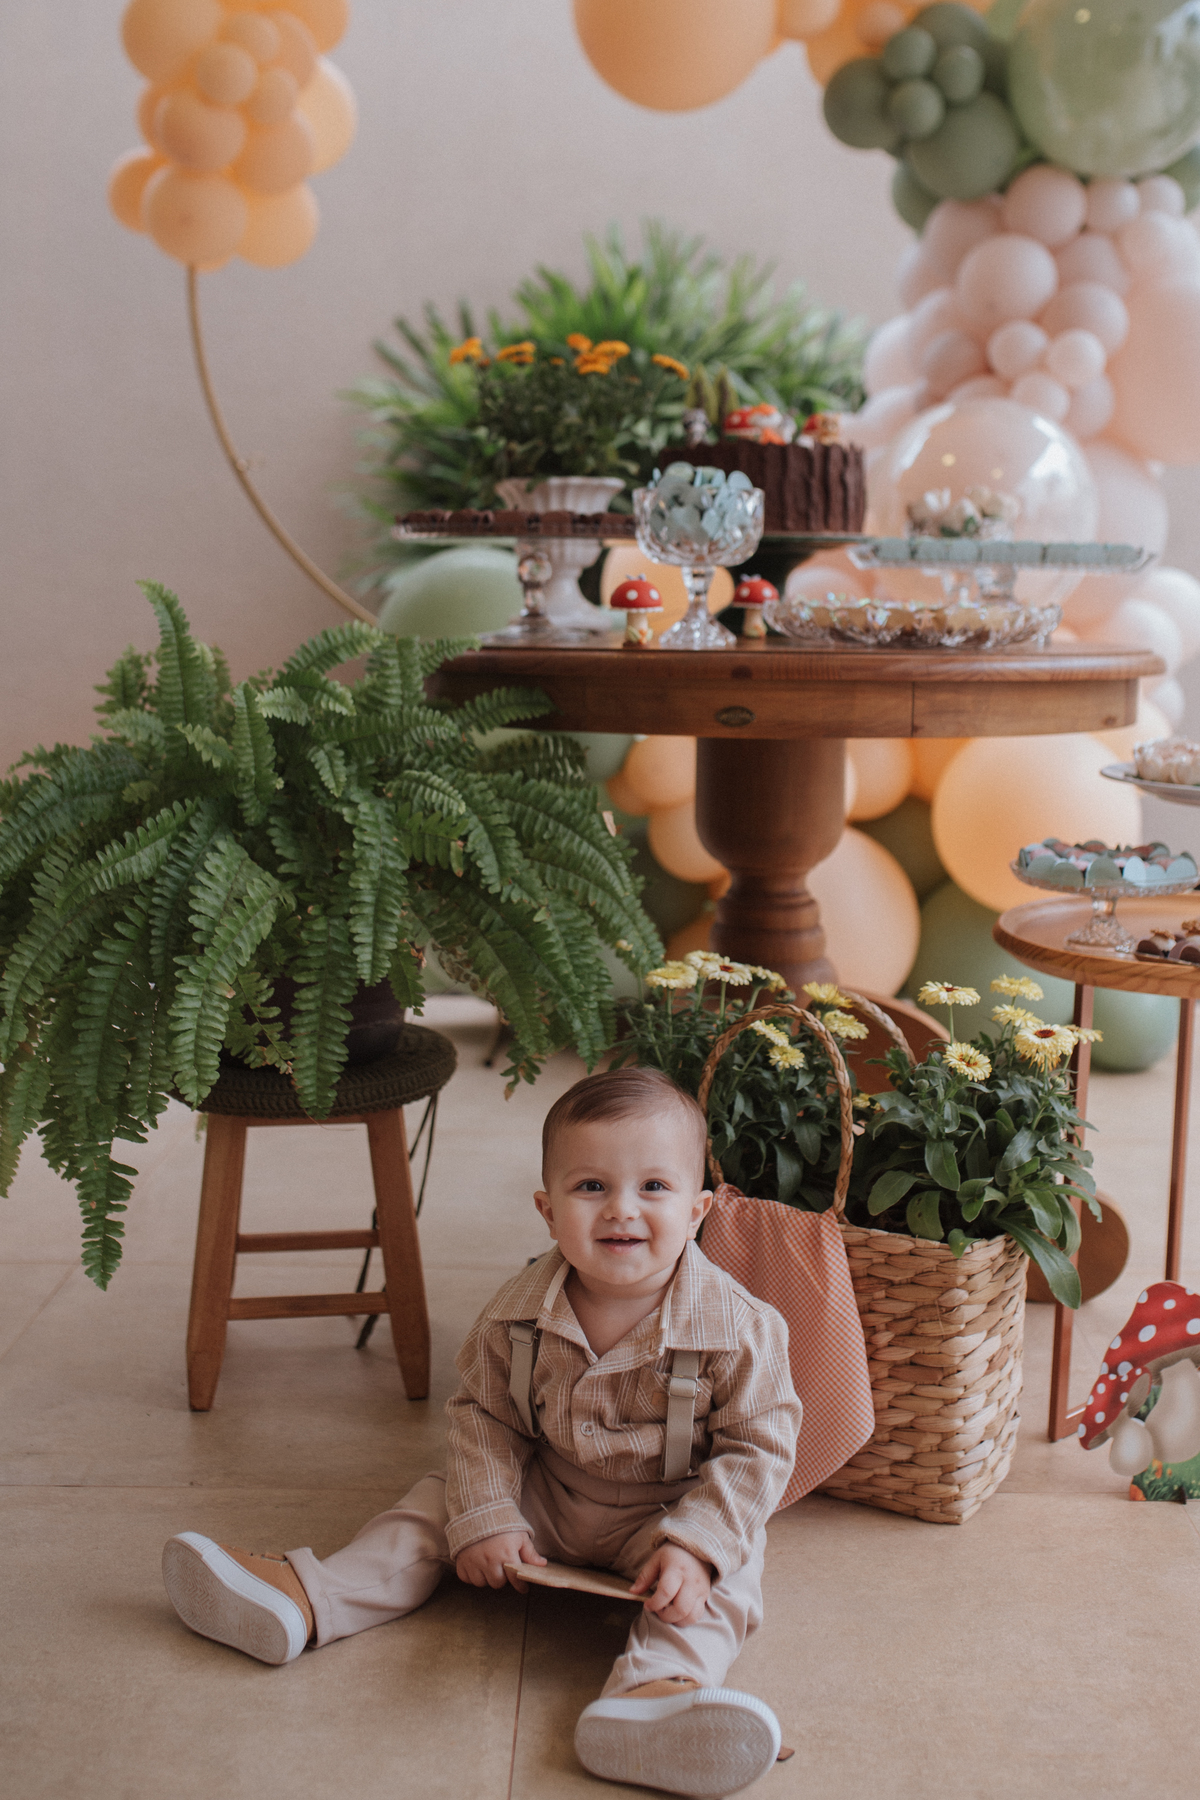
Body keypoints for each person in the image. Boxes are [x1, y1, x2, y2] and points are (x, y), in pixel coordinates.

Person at [162, 1067, 802, 1798]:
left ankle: (655, 1695)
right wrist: (486, 1515)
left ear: (697, 1209)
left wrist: (698, 1546)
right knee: (432, 1503)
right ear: (548, 1210)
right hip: (548, 1493)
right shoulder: (515, 1315)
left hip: (666, 1517)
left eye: (653, 1187)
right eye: (591, 1187)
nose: (622, 1209)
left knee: (733, 1571)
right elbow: (484, 1417)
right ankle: (310, 1600)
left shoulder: (740, 1329)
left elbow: (760, 1445)